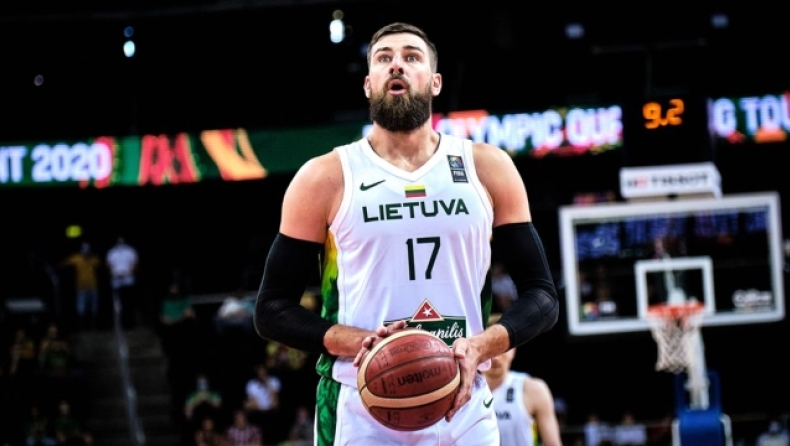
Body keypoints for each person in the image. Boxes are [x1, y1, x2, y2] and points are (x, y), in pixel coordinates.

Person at [253, 21, 558, 446]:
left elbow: (542, 297)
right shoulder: (325, 177)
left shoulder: (487, 167)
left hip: (464, 401)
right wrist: (362, 343)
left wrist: (479, 347)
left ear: (435, 82)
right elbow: (271, 309)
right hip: (362, 404)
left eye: (411, 57)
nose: (397, 65)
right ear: (368, 84)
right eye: (384, 58)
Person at [483, 313, 562, 446]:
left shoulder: (533, 389)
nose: (496, 358)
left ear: (514, 349)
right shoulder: (462, 390)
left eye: (501, 349)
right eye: (490, 349)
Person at [60, 241, 102, 331]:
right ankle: (81, 328)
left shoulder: (93, 259)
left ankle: (93, 327)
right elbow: (65, 263)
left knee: (94, 308)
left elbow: (99, 264)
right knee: (81, 308)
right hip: (81, 287)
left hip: (93, 286)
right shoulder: (77, 258)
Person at [105, 236, 139, 329]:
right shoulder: (112, 252)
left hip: (128, 280)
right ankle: (120, 324)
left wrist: (129, 273)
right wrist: (113, 274)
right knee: (118, 303)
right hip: (116, 280)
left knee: (129, 302)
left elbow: (135, 264)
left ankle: (130, 323)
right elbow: (108, 265)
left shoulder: (130, 250)